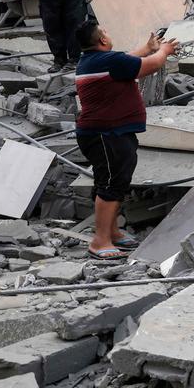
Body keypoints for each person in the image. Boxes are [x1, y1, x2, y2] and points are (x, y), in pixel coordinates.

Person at [73, 20, 177, 260]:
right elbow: (149, 66)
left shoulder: (95, 61)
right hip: (106, 134)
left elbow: (128, 61)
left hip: (110, 132)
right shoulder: (109, 62)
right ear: (102, 40)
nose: (108, 34)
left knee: (114, 181)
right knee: (111, 184)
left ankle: (112, 232)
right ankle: (100, 241)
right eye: (105, 31)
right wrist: (163, 51)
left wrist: (147, 47)